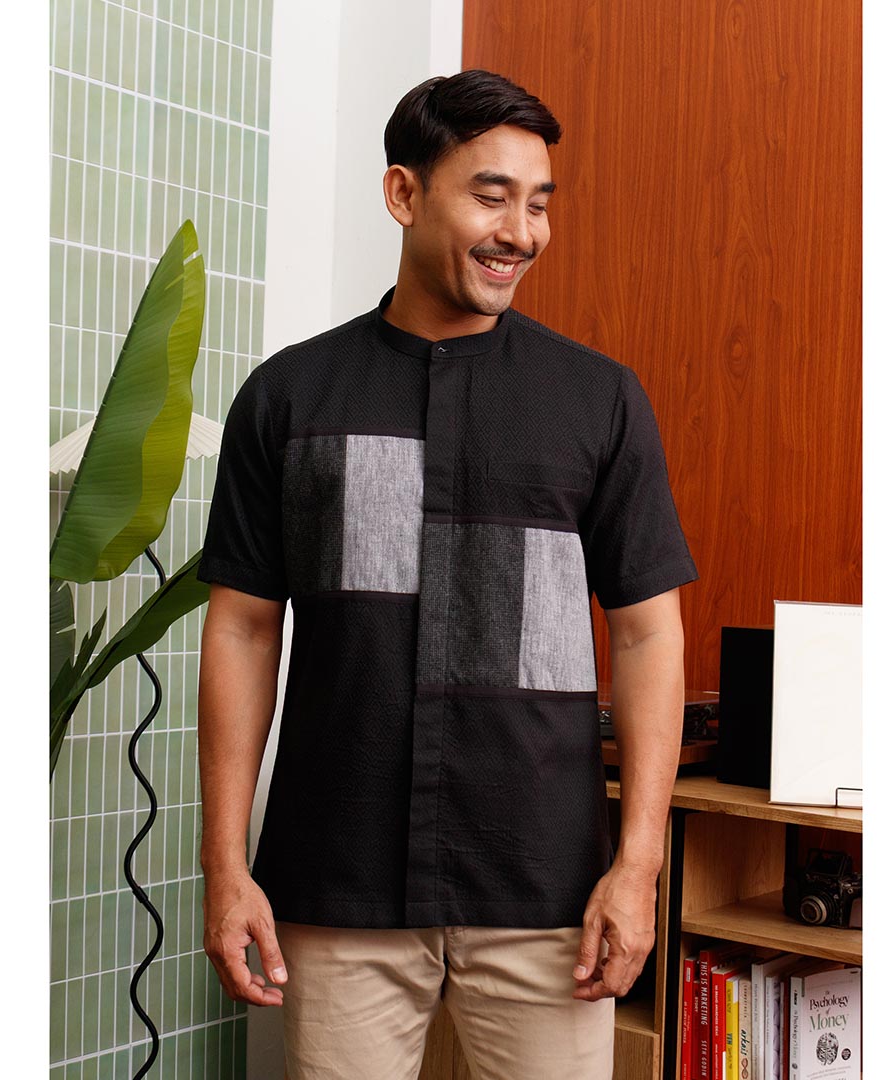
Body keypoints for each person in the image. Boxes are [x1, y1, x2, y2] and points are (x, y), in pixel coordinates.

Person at [196, 69, 697, 1080]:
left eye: (539, 203)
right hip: (337, 881)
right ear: (403, 193)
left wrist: (637, 866)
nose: (522, 232)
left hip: (546, 892)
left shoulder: (599, 400)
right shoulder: (289, 397)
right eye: (491, 196)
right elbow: (243, 628)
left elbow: (648, 632)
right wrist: (225, 863)